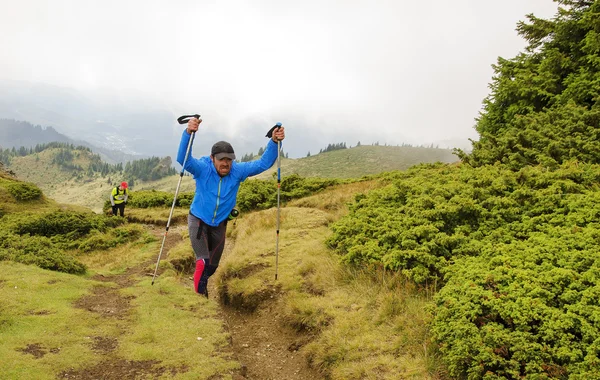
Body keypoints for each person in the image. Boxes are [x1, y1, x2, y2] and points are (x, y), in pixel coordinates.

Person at [178, 117, 285, 297]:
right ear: (212, 158)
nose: (225, 163)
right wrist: (189, 133)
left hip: (219, 223)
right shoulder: (203, 168)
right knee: (203, 262)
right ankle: (200, 298)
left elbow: (263, 163)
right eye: (221, 159)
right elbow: (184, 159)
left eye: (229, 159)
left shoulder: (237, 171)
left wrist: (274, 142)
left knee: (211, 267)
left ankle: (200, 280)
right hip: (198, 219)